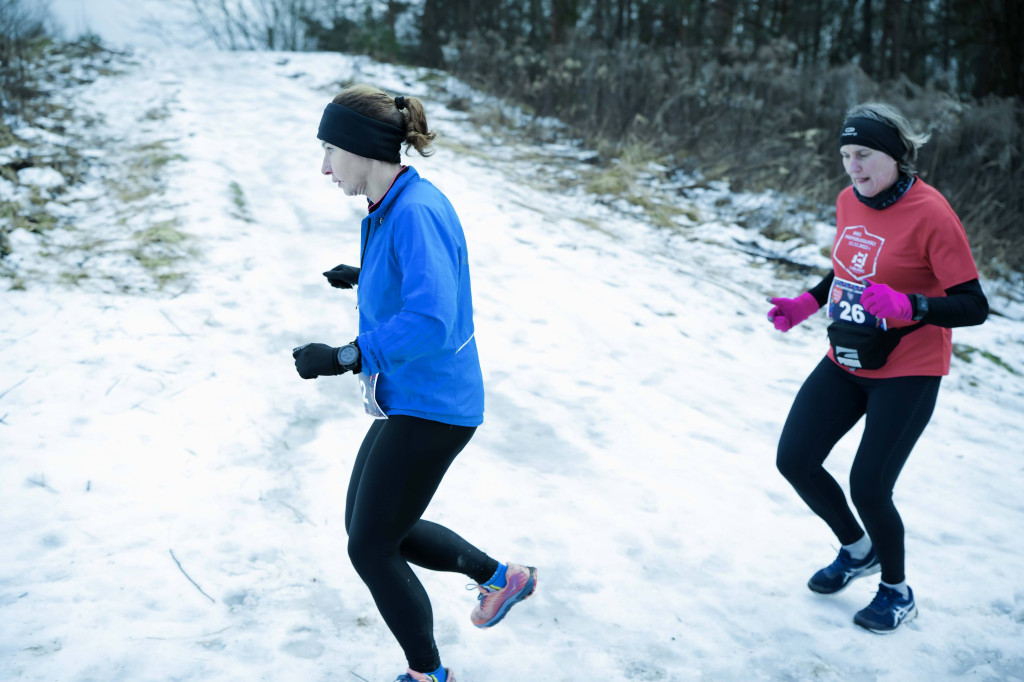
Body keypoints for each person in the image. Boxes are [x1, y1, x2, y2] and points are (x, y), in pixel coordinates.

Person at [291, 85, 537, 682]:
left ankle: (427, 674)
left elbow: (432, 319)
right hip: (413, 397)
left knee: (371, 546)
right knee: (373, 530)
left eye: (331, 151)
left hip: (435, 407)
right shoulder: (393, 204)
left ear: (366, 149)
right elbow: (419, 283)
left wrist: (347, 355)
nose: (324, 167)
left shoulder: (416, 211)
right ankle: (501, 578)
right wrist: (367, 274)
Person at [768, 102, 988, 634]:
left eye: (864, 154)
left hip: (909, 369)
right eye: (846, 155)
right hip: (847, 356)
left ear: (894, 156)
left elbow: (975, 305)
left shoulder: (933, 214)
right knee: (795, 459)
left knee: (869, 486)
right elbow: (849, 268)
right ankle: (857, 549)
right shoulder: (849, 199)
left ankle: (897, 590)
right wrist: (808, 302)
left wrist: (914, 306)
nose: (853, 167)